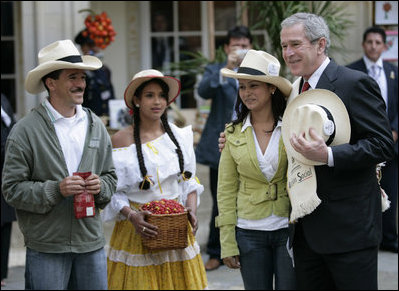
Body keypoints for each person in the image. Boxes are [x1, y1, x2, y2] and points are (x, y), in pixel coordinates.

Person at [219, 12, 394, 290]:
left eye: (296, 44)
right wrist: (237, 142)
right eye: (285, 45)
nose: (288, 53)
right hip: (304, 233)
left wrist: (329, 156)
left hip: (349, 231)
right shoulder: (294, 91)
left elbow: (383, 144)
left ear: (320, 45)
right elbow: (277, 133)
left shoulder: (353, 83)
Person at [1, 39, 117, 290]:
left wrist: (101, 186)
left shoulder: (96, 124)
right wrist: (57, 189)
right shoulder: (24, 131)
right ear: (50, 83)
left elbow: (110, 176)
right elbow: (11, 189)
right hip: (46, 248)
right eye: (72, 77)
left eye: (82, 78)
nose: (81, 84)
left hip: (91, 243)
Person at [101, 69, 208, 290]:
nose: (157, 101)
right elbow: (113, 190)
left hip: (175, 228)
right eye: (149, 95)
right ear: (137, 100)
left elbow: (189, 182)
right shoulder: (120, 140)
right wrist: (132, 216)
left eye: (161, 95)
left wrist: (191, 211)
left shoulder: (179, 137)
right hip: (137, 229)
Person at [215, 49, 296, 290]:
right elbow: (226, 190)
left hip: (288, 229)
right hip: (248, 232)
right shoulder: (232, 133)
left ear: (272, 88)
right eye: (242, 87)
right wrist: (227, 242)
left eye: (253, 86)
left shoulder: (291, 127)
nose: (246, 93)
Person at [195, 25, 253, 271]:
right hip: (221, 145)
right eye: (235, 45)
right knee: (221, 200)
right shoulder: (216, 69)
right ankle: (216, 251)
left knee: (250, 197)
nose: (240, 49)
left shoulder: (257, 70)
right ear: (227, 48)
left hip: (253, 143)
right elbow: (203, 90)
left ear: (251, 47)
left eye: (244, 45)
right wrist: (226, 70)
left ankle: (246, 248)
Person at [347, 26, 398, 253]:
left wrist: (394, 131)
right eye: (370, 42)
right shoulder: (351, 72)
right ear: (363, 44)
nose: (374, 46)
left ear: (385, 46)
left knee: (391, 192)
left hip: (392, 146)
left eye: (378, 42)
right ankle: (367, 239)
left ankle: (389, 238)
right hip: (363, 146)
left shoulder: (393, 72)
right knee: (364, 193)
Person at [75, 29, 115, 117]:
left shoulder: (105, 70)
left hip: (105, 119)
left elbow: (110, 96)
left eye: (97, 45)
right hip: (87, 119)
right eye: (91, 45)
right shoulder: (79, 72)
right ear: (83, 48)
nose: (95, 49)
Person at [1, 93, 17, 287]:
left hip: (6, 169)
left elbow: (12, 125)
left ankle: (2, 272)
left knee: (5, 223)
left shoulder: (4, 98)